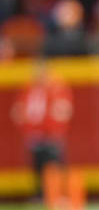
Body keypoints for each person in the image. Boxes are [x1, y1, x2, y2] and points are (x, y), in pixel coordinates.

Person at [11, 60, 73, 198]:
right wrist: (26, 127)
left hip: (51, 134)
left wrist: (56, 130)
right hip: (34, 134)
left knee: (54, 165)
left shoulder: (56, 88)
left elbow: (63, 110)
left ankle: (59, 195)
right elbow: (20, 109)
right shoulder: (28, 88)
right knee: (37, 167)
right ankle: (41, 195)